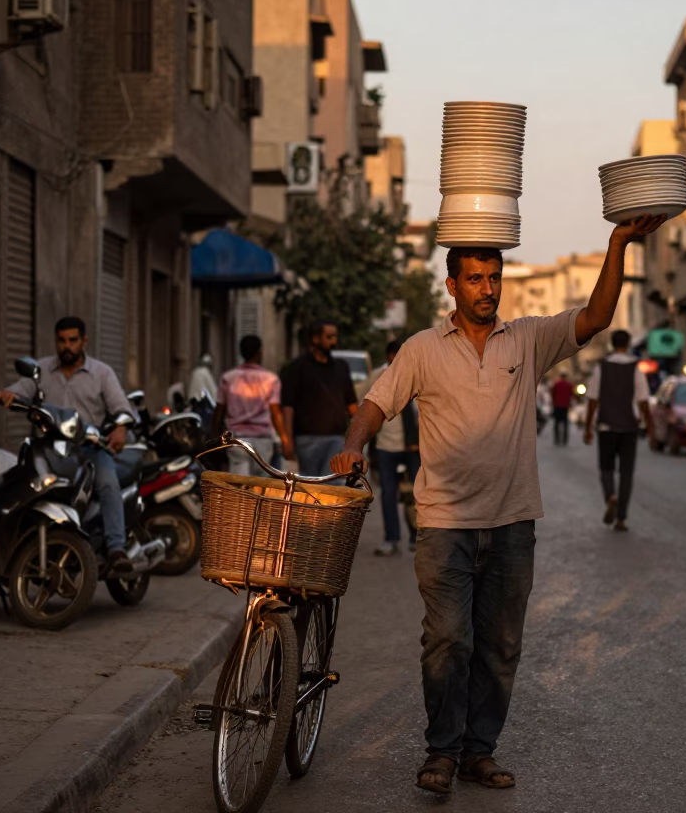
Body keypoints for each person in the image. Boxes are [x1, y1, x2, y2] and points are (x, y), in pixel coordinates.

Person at [331, 214, 666, 794]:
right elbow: (376, 403)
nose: (488, 289)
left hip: (513, 524)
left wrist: (617, 243)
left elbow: (595, 318)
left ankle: (477, 752)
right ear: (452, 286)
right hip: (443, 525)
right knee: (447, 639)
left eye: (494, 277)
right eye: (476, 279)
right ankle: (442, 750)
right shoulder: (421, 350)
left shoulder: (529, 339)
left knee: (500, 645)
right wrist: (353, 446)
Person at [0, 317, 135, 574]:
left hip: (90, 448)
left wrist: (120, 429)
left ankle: (116, 549)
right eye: (61, 340)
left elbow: (121, 408)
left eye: (72, 340)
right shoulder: (42, 370)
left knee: (107, 483)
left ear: (84, 341)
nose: (67, 346)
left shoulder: (102, 373)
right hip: (49, 449)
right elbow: (19, 391)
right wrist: (5, 395)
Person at [583, 330, 652, 533]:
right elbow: (643, 401)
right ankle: (621, 517)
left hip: (606, 426)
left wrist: (588, 428)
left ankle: (610, 496)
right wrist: (650, 427)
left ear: (612, 344)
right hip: (629, 427)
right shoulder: (635, 369)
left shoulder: (601, 368)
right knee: (626, 472)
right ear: (629, 343)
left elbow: (592, 399)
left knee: (606, 468)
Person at [280, 319, 357, 478]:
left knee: (334, 484)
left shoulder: (341, 367)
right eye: (329, 337)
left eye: (335, 337)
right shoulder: (296, 368)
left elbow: (352, 404)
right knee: (309, 484)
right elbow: (288, 407)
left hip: (336, 438)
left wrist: (356, 438)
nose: (334, 341)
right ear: (315, 339)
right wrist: (287, 440)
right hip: (306, 439)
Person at [369, 340, 420, 556]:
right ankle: (391, 539)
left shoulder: (419, 375)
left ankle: (416, 539)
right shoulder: (379, 377)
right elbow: (366, 407)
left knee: (416, 495)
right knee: (388, 494)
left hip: (413, 447)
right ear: (390, 356)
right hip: (385, 446)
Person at [215, 335, 292, 475]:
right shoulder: (271, 379)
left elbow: (219, 411)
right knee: (262, 485)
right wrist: (285, 439)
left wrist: (214, 437)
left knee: (240, 485)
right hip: (263, 439)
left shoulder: (228, 378)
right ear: (259, 353)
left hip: (236, 439)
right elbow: (275, 412)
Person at [551, 373, 574, 445]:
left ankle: (557, 439)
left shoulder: (557, 384)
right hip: (565, 406)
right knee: (565, 423)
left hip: (557, 405)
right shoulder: (569, 385)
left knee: (557, 423)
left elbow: (552, 393)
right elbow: (571, 394)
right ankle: (564, 440)